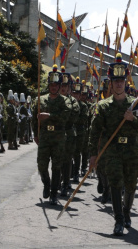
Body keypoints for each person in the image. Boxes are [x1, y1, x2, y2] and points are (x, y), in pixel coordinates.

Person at [89, 53, 138, 236]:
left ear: (126, 82)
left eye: (121, 80)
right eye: (115, 80)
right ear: (110, 82)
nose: (118, 84)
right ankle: (118, 219)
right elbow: (95, 132)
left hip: (131, 150)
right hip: (113, 150)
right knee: (115, 182)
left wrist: (132, 119)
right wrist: (93, 155)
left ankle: (126, 212)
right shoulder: (103, 106)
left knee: (131, 184)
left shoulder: (135, 105)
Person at [33, 65, 70, 205]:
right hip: (44, 137)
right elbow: (34, 119)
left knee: (56, 166)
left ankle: (54, 193)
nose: (54, 87)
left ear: (60, 86)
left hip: (58, 138)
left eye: (56, 85)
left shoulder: (64, 101)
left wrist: (49, 116)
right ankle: (46, 184)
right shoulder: (40, 100)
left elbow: (65, 117)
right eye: (52, 85)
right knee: (42, 165)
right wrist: (35, 134)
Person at [59, 68, 80, 196]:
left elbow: (74, 116)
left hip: (69, 135)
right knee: (57, 161)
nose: (63, 88)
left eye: (65, 85)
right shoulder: (53, 99)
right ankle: (57, 182)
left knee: (66, 160)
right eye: (61, 85)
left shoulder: (73, 102)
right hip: (56, 135)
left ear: (69, 88)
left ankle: (65, 183)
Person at [72, 80, 89, 183]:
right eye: (74, 93)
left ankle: (76, 172)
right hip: (69, 132)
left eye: (78, 94)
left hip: (80, 132)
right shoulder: (68, 104)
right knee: (68, 154)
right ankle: (69, 171)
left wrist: (73, 118)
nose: (76, 96)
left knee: (78, 153)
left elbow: (83, 119)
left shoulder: (83, 106)